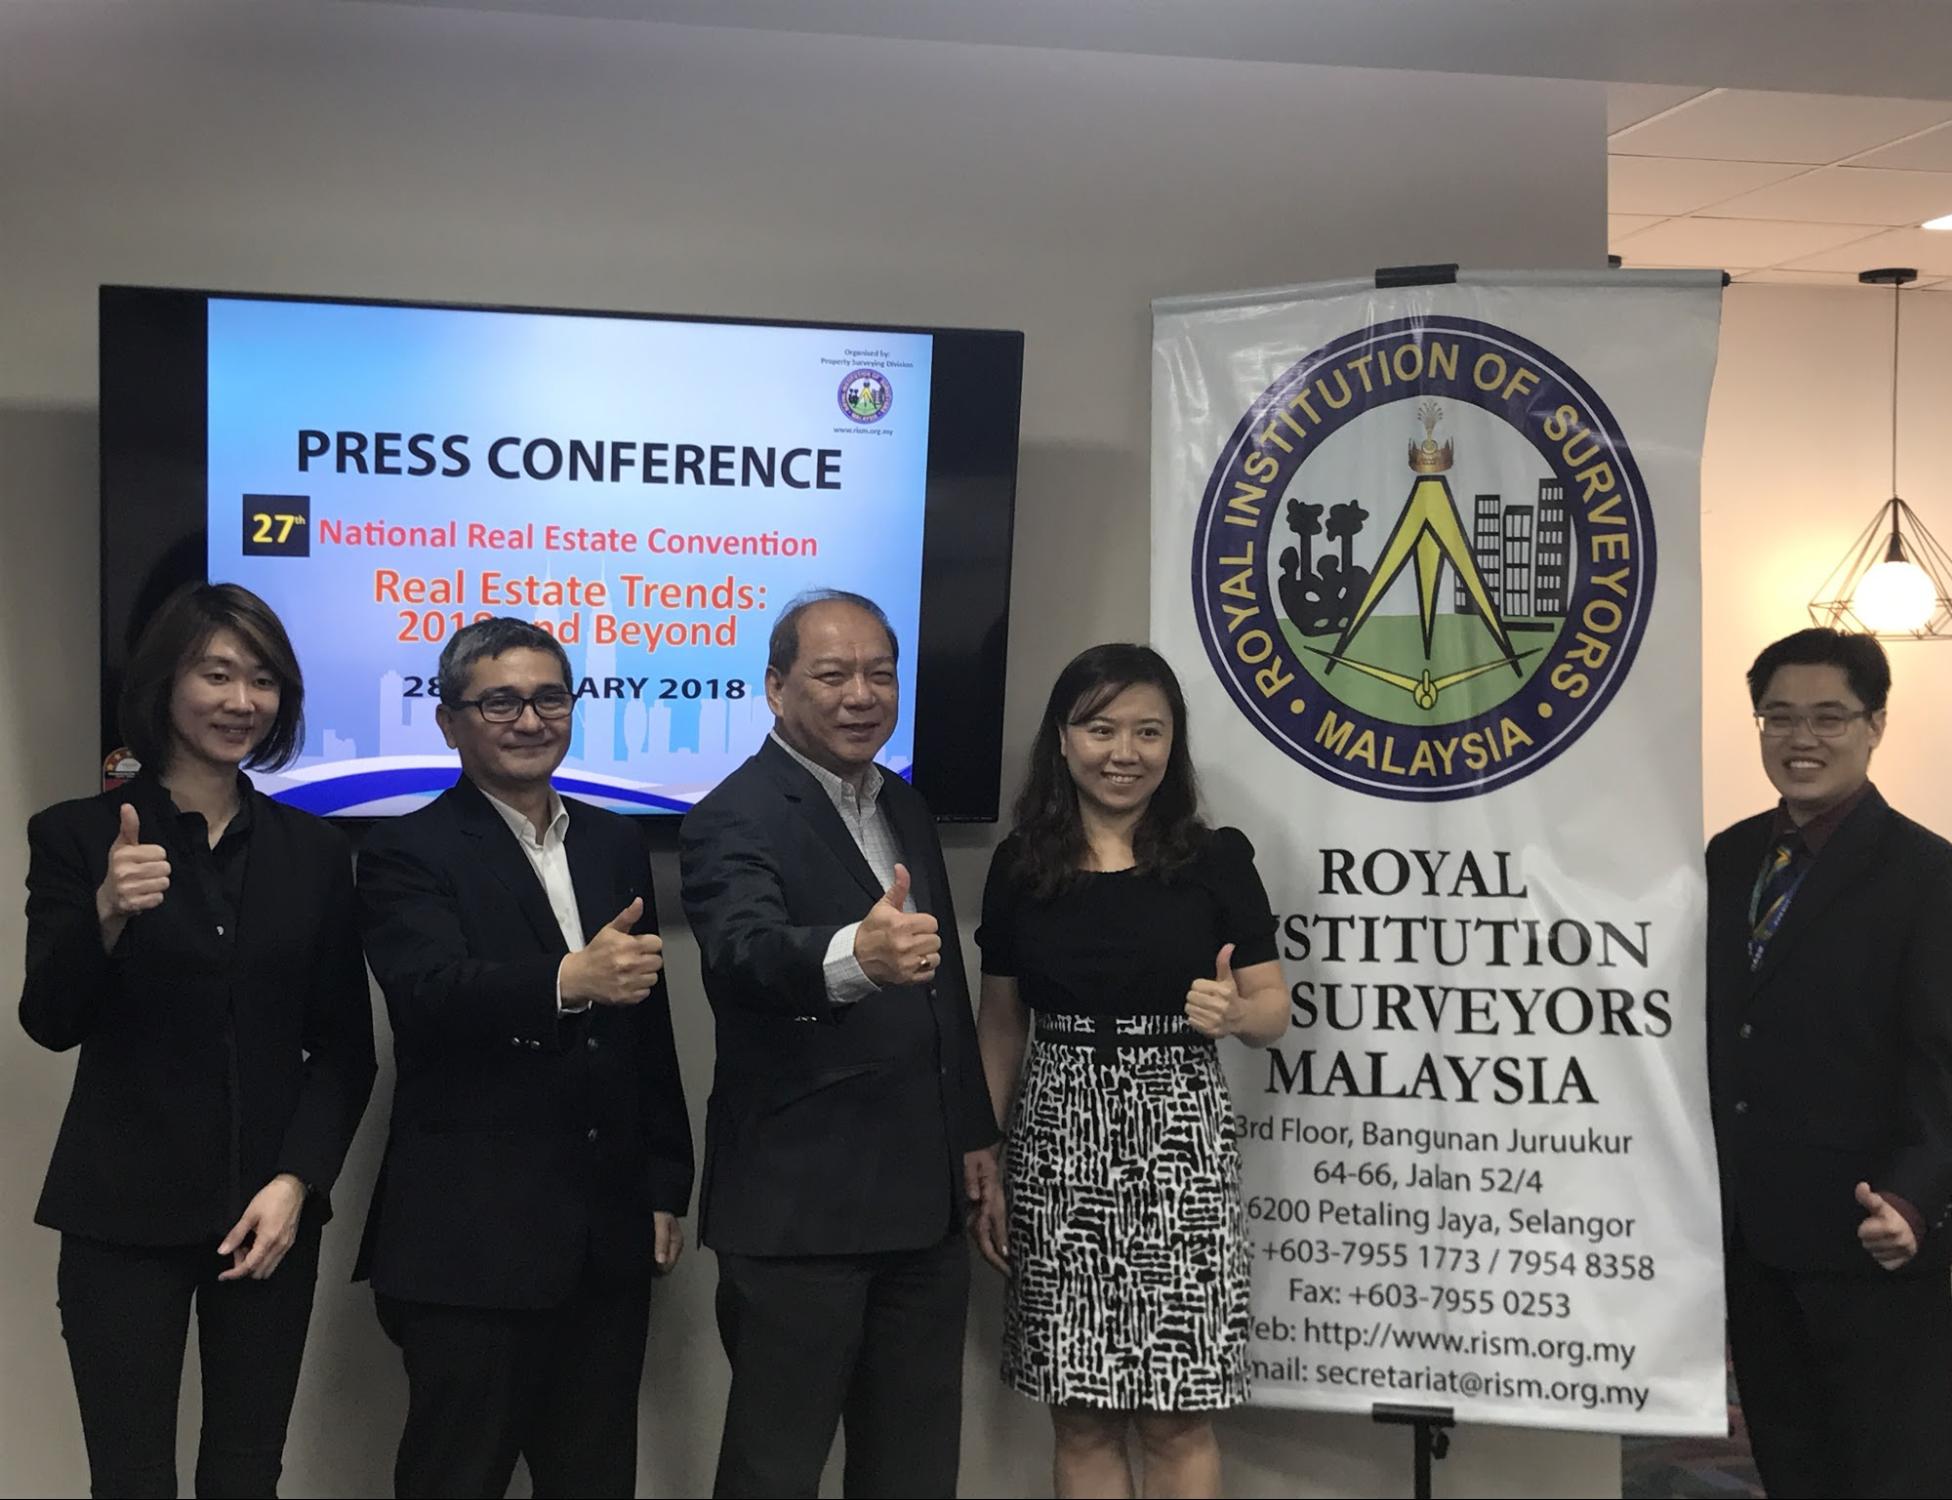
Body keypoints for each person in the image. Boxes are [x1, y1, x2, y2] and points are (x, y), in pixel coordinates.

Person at [20, 582, 377, 1498]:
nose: (241, 701)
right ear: (164, 683)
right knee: (131, 1476)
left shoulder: (314, 851)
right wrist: (105, 914)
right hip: (120, 1216)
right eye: (216, 674)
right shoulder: (78, 835)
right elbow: (49, 1021)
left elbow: (345, 1050)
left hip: (265, 1216)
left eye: (263, 680)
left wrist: (298, 1182)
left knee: (247, 1472)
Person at [353, 617, 694, 1499]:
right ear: (449, 721)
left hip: (606, 1236)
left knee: (595, 1480)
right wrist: (567, 979)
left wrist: (663, 1184)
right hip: (471, 1245)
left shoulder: (614, 844)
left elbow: (645, 1030)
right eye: (499, 702)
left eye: (550, 698)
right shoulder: (403, 849)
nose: (530, 720)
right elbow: (427, 994)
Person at [678, 589, 1000, 1499]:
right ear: (775, 687)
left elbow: (942, 987)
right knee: (774, 1469)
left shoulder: (905, 803)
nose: (861, 695)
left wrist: (972, 1132)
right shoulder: (731, 815)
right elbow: (743, 954)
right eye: (831, 675)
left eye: (879, 674)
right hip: (799, 1212)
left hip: (922, 1206)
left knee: (914, 1468)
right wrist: (854, 956)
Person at [973, 643, 1288, 1500]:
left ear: (1172, 743)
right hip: (1055, 1141)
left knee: (1176, 1413)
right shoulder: (1020, 865)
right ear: (1062, 738)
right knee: (1079, 1412)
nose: (1124, 752)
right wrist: (986, 1154)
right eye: (1100, 728)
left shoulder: (1215, 859)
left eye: (1148, 731)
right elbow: (999, 1022)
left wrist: (1236, 1014)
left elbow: (1273, 1008)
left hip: (1178, 1141)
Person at [1708, 627, 1952, 1499]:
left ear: (1874, 725)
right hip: (1751, 1223)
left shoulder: (1931, 874)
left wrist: (1912, 1196)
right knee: (1788, 1456)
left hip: (1868, 1226)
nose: (1802, 738)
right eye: (1778, 717)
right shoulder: (1728, 858)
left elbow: (1942, 1063)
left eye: (1828, 717)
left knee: (1888, 1468)